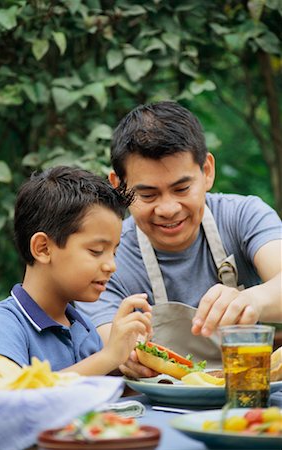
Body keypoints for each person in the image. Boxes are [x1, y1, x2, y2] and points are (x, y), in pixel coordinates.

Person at [76, 101, 282, 377]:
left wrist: (254, 300)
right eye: (148, 195)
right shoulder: (106, 256)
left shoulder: (243, 216)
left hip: (248, 398)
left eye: (182, 188)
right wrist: (125, 356)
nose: (168, 209)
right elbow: (106, 341)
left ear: (207, 171)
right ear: (119, 187)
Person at [0, 166, 152, 375]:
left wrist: (129, 365)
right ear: (43, 248)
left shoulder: (83, 326)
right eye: (96, 251)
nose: (111, 266)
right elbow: (9, 398)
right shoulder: (3, 324)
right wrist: (108, 357)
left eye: (114, 252)